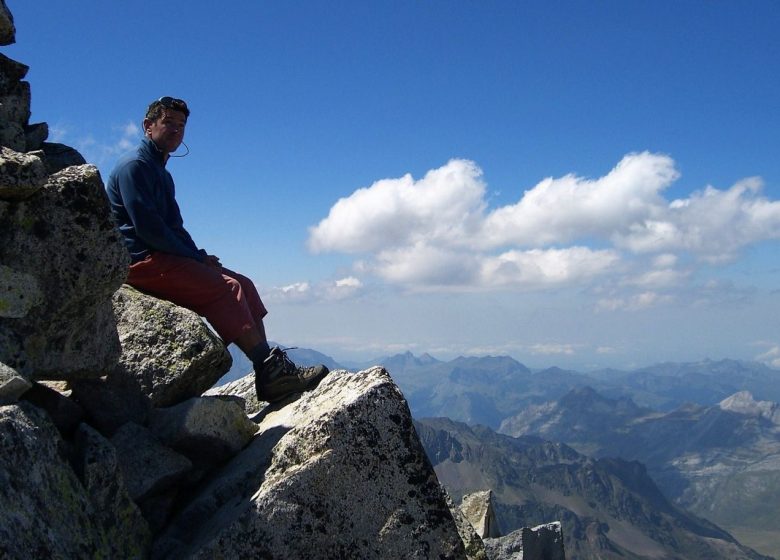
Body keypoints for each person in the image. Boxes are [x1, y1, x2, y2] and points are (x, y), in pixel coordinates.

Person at [106, 96, 327, 403]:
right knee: (228, 288)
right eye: (168, 122)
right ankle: (271, 371)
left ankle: (272, 373)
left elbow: (174, 228)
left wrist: (200, 256)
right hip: (143, 261)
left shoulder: (160, 173)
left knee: (245, 284)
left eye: (181, 125)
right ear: (148, 126)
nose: (176, 131)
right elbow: (149, 230)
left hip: (163, 257)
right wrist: (194, 258)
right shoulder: (135, 167)